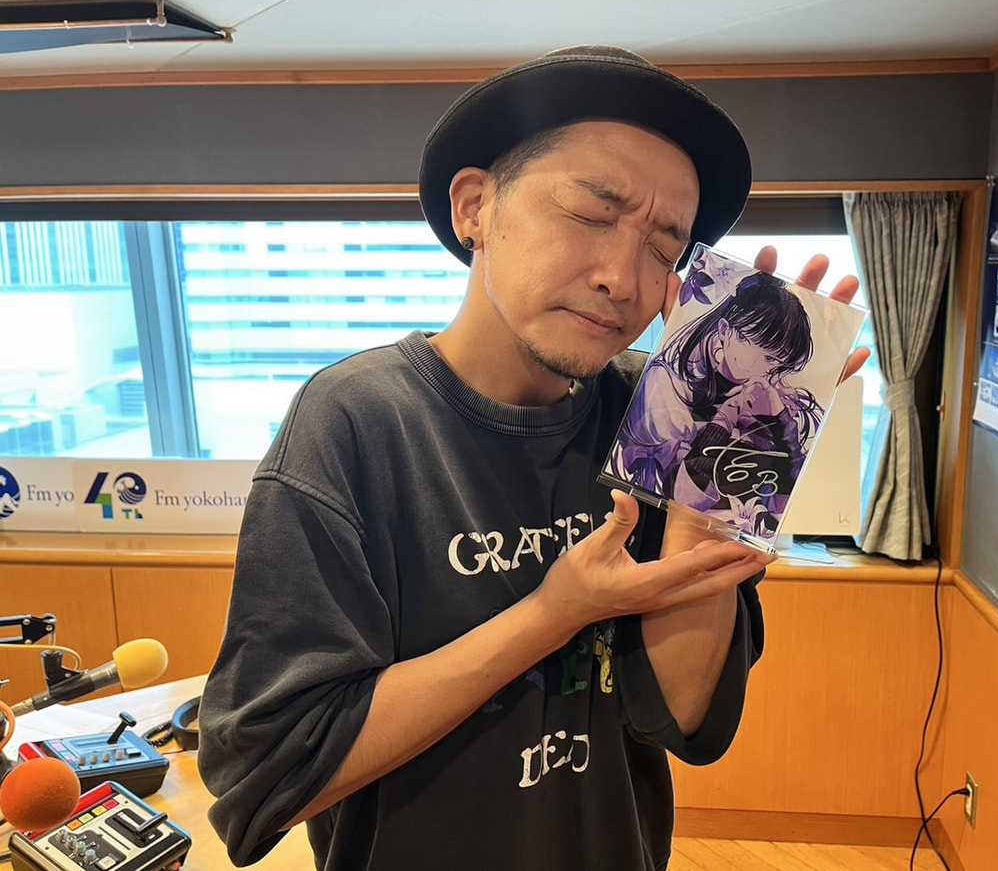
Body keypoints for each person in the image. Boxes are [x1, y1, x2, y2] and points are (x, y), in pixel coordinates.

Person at [198, 44, 868, 871]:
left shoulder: (661, 413)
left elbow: (684, 722)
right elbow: (270, 776)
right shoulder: (355, 422)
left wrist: (712, 480)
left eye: (665, 249)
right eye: (590, 213)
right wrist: (556, 612)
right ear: (475, 207)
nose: (623, 279)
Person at [607, 270, 823, 540]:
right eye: (762, 354)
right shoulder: (667, 385)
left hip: (735, 543)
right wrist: (724, 420)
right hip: (651, 533)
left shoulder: (770, 398)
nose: (766, 370)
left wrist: (780, 421)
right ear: (725, 331)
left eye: (774, 362)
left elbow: (781, 505)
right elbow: (682, 495)